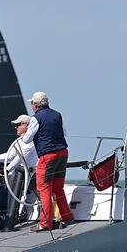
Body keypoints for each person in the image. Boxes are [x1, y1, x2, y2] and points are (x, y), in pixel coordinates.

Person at [22, 91, 74, 231]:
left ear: (36, 105)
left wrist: (27, 131)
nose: (32, 105)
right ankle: (67, 216)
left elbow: (27, 140)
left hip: (48, 156)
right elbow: (64, 133)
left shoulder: (35, 118)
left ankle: (45, 223)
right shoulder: (57, 114)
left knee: (44, 189)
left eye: (32, 103)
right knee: (58, 188)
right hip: (63, 153)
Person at [0, 114, 38, 231]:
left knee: (8, 180)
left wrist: (6, 170)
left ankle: (12, 216)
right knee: (3, 181)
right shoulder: (19, 141)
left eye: (18, 125)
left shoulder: (31, 141)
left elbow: (20, 158)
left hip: (30, 175)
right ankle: (0, 215)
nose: (16, 127)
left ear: (27, 126)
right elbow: (10, 156)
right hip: (19, 173)